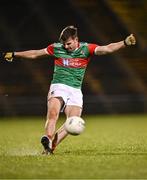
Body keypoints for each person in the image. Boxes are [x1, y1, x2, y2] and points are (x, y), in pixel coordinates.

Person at [1, 25, 136, 155]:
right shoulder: (56, 48)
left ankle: (50, 147)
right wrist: (14, 54)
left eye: (69, 43)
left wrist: (124, 42)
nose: (66, 47)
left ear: (76, 40)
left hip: (76, 90)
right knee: (53, 113)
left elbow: (107, 49)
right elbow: (35, 53)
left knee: (72, 120)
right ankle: (47, 137)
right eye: (64, 44)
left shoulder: (86, 49)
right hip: (59, 86)